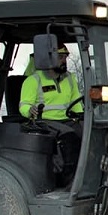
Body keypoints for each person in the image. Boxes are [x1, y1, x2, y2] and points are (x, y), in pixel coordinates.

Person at [19, 43, 84, 185]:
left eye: (65, 57)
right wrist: (29, 110)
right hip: (44, 121)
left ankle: (88, 177)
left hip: (65, 119)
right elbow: (24, 105)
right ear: (48, 58)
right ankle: (68, 180)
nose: (64, 61)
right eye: (60, 57)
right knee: (69, 136)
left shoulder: (69, 78)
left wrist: (82, 118)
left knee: (90, 133)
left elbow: (76, 102)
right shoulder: (33, 80)